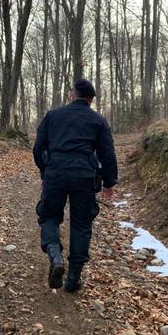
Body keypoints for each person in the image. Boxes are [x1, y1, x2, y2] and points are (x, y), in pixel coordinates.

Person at [33, 79, 118, 293]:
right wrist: (109, 182)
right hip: (84, 175)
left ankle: (55, 253)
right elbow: (108, 153)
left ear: (73, 94)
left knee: (49, 216)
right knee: (81, 223)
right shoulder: (98, 120)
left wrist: (44, 171)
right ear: (90, 99)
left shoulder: (53, 116)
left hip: (56, 173)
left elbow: (38, 147)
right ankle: (73, 278)